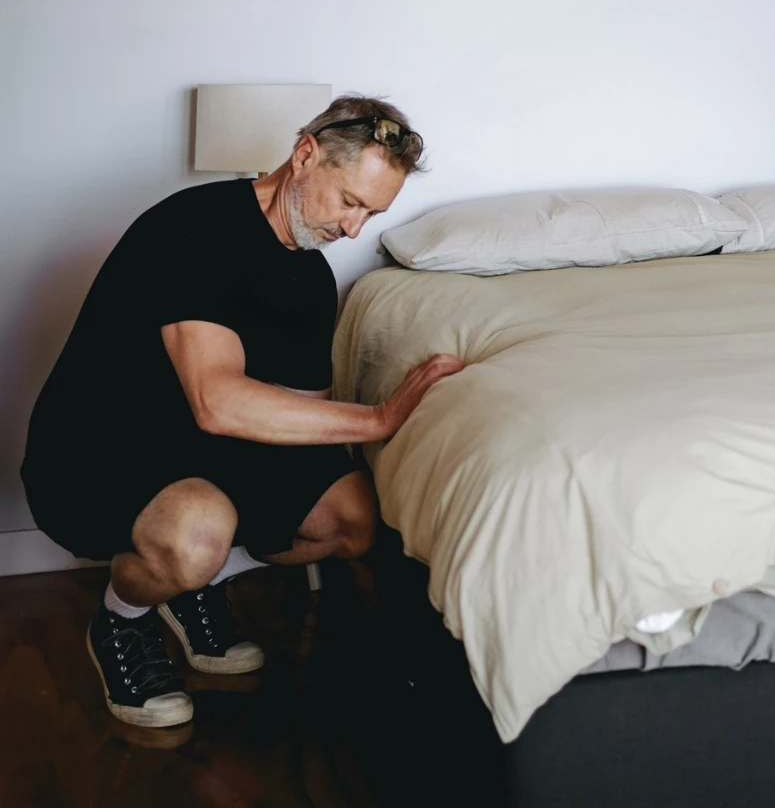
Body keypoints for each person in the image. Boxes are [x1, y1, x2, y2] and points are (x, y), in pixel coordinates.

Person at [20, 95, 464, 728]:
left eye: (373, 212)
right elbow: (216, 400)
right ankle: (123, 620)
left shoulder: (310, 279)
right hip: (97, 449)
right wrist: (377, 419)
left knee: (352, 519)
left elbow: (298, 419)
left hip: (206, 450)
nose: (355, 230)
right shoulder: (196, 227)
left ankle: (192, 583)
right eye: (350, 201)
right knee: (199, 529)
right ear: (305, 154)